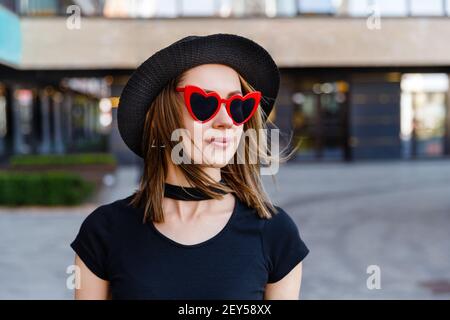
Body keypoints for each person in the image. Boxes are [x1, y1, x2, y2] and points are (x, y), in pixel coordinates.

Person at [70, 33, 309, 300]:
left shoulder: (277, 235)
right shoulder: (104, 232)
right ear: (161, 117)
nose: (226, 121)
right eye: (204, 103)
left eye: (238, 105)